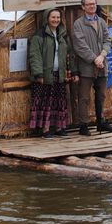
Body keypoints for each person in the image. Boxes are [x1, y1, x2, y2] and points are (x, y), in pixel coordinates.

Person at [29, 8, 78, 138]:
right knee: (46, 102)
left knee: (60, 102)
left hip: (60, 74)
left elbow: (69, 54)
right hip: (45, 75)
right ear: (47, 19)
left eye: (58, 17)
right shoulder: (39, 36)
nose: (56, 20)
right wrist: (38, 74)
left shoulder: (62, 35)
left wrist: (73, 71)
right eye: (53, 17)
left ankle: (59, 127)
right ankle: (45, 129)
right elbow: (35, 56)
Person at [72, 0, 112, 136]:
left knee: (101, 95)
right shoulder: (78, 24)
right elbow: (80, 46)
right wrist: (94, 59)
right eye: (89, 4)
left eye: (94, 4)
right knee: (84, 97)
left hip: (102, 66)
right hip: (86, 67)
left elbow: (107, 41)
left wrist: (102, 56)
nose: (92, 6)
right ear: (83, 7)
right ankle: (83, 125)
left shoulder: (102, 22)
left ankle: (101, 123)